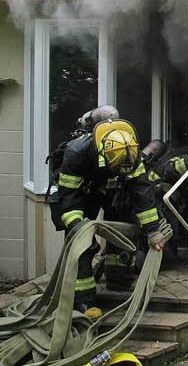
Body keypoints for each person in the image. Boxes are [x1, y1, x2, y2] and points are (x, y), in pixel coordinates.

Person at [50, 110, 171, 316]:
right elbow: (69, 198)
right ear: (103, 157)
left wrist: (153, 230)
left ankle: (118, 280)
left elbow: (142, 194)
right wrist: (77, 225)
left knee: (121, 234)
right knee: (82, 245)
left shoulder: (129, 153)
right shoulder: (77, 153)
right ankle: (83, 303)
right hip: (82, 194)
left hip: (111, 190)